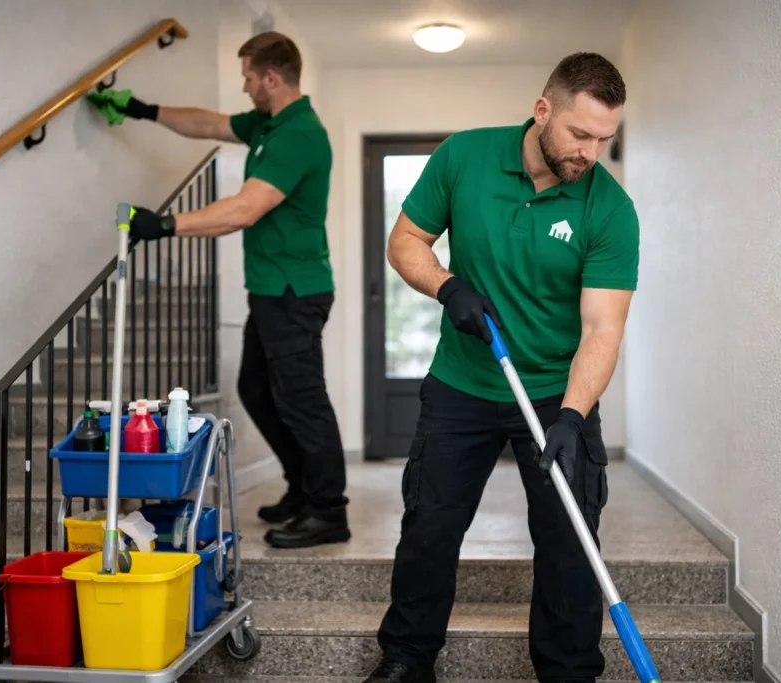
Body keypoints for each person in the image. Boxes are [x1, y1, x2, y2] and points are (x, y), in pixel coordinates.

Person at [364, 53, 638, 683]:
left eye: (605, 139)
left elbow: (602, 329)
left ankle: (568, 670)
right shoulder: (464, 157)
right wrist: (446, 285)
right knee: (430, 526)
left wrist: (573, 417)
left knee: (570, 539)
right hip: (463, 382)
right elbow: (405, 242)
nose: (591, 153)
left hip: (554, 393)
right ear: (544, 110)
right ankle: (407, 658)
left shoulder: (610, 209)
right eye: (580, 133)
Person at [87, 31, 349, 550]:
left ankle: (328, 510)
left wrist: (166, 226)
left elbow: (245, 208)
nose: (246, 85)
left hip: (295, 291)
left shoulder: (300, 135)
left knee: (302, 401)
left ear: (272, 77)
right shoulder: (270, 124)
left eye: (250, 76)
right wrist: (142, 109)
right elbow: (208, 122)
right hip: (273, 290)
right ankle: (303, 489)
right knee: (256, 390)